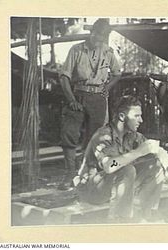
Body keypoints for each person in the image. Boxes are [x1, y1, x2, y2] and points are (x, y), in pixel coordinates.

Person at [74, 95, 168, 222]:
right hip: (91, 189)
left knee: (157, 165)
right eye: (136, 116)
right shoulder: (104, 135)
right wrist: (138, 152)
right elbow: (110, 166)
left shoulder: (132, 135)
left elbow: (160, 151)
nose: (141, 120)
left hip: (110, 184)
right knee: (127, 170)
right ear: (122, 117)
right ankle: (121, 221)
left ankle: (145, 214)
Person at [58, 19, 121, 190]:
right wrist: (72, 100)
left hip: (97, 99)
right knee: (69, 135)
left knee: (95, 138)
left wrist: (106, 88)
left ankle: (88, 173)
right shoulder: (76, 50)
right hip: (78, 96)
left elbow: (117, 73)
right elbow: (64, 77)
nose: (98, 40)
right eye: (96, 35)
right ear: (91, 32)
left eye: (102, 37)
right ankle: (70, 174)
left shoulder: (108, 52)